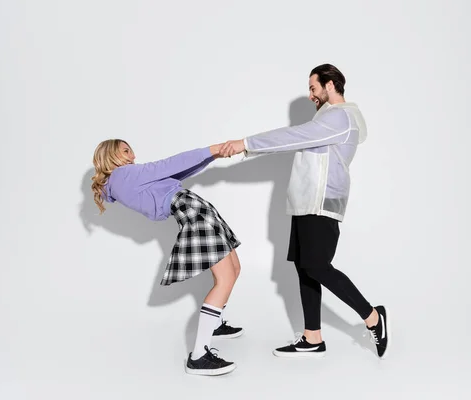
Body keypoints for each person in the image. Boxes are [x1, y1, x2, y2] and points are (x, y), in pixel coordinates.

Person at [220, 64, 390, 359]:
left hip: (320, 203)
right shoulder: (327, 117)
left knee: (317, 267)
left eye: (314, 88)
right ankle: (313, 338)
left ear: (330, 84)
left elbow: (292, 137)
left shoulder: (340, 116)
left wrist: (245, 144)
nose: (311, 95)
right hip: (305, 203)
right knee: (304, 267)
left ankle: (373, 317)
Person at [91, 139, 243, 375]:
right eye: (126, 150)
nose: (133, 155)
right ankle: (199, 357)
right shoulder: (123, 176)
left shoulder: (125, 179)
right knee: (224, 279)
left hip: (197, 208)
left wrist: (212, 157)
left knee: (234, 268)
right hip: (193, 210)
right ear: (111, 155)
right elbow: (168, 165)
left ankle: (215, 325)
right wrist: (215, 148)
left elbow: (175, 171)